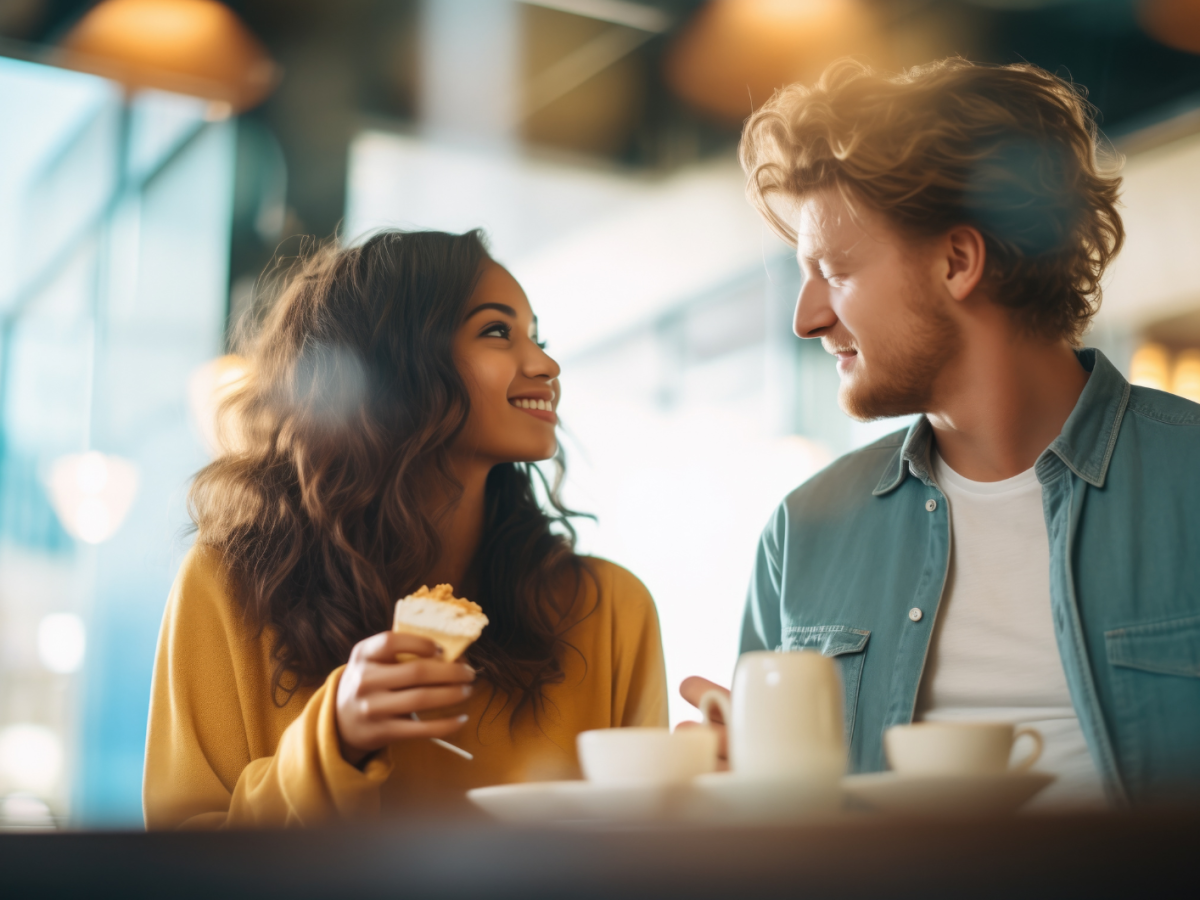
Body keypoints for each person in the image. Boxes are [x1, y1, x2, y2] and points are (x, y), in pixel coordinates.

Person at [680, 58, 1200, 808]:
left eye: (835, 270)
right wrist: (741, 788)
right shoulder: (801, 533)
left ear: (957, 261)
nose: (807, 318)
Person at [144, 230, 667, 828]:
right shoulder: (231, 585)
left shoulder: (611, 614)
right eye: (498, 332)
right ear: (394, 364)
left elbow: (647, 847)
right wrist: (333, 739)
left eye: (537, 336)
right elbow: (182, 858)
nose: (546, 364)